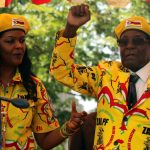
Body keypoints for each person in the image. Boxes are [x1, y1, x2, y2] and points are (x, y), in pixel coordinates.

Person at [50, 4, 150, 150]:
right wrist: (70, 29)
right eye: (123, 42)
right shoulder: (105, 74)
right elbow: (62, 72)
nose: (129, 46)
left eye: (138, 41)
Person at [0, 13, 88, 150]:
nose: (19, 46)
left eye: (22, 41)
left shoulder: (34, 86)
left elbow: (45, 141)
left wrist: (69, 126)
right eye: (10, 41)